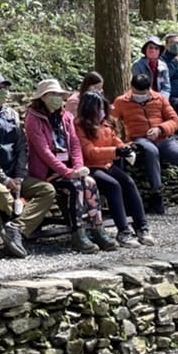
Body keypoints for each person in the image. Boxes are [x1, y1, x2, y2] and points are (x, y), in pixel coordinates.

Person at [0, 73, 57, 259]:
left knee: (47, 190)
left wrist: (20, 176)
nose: (3, 92)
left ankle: (15, 228)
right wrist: (4, 179)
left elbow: (22, 148)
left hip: (14, 175)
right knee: (1, 194)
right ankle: (20, 229)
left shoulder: (12, 115)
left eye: (5, 88)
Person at [23, 79, 115, 253]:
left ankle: (97, 228)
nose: (57, 98)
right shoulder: (33, 118)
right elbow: (44, 151)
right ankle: (78, 232)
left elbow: (74, 144)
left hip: (70, 168)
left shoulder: (66, 117)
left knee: (89, 183)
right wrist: (67, 173)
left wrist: (78, 168)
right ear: (42, 97)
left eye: (59, 94)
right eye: (53, 94)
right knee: (75, 187)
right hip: (48, 171)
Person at [113, 72, 178, 216]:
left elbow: (174, 120)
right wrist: (120, 142)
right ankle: (156, 194)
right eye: (137, 93)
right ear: (131, 87)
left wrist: (160, 129)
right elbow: (111, 122)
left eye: (143, 93)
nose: (140, 96)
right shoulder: (121, 102)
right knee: (151, 151)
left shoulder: (159, 98)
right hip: (139, 138)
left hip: (164, 138)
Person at [73, 90, 154, 247]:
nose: (102, 112)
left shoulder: (106, 123)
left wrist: (127, 148)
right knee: (113, 186)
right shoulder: (79, 126)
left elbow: (115, 141)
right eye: (99, 108)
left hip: (107, 165)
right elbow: (89, 152)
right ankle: (123, 231)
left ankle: (142, 227)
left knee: (129, 183)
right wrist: (115, 152)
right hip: (90, 168)